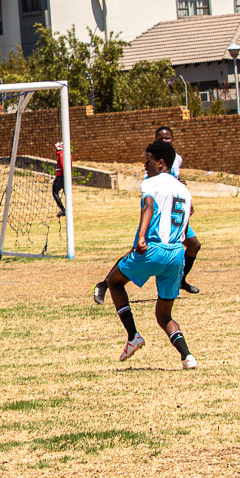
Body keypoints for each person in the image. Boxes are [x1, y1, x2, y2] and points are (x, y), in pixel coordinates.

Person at [93, 140, 197, 370]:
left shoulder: (151, 183)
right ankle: (187, 356)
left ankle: (133, 336)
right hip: (176, 254)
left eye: (148, 159)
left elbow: (148, 206)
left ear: (160, 163)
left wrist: (141, 237)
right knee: (164, 315)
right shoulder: (184, 189)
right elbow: (188, 213)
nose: (144, 164)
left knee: (114, 282)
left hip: (154, 250)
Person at [154, 124, 201, 293]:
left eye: (167, 138)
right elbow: (151, 182)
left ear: (173, 140)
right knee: (153, 251)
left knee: (194, 245)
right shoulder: (153, 160)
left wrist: (187, 202)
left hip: (176, 210)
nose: (164, 141)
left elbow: (176, 181)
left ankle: (181, 280)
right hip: (162, 211)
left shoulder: (177, 159)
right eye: (160, 139)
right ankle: (112, 281)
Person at [50, 141, 69, 218]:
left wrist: (64, 176)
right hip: (63, 176)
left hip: (61, 177)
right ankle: (67, 208)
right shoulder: (67, 154)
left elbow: (64, 166)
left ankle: (63, 209)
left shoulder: (61, 155)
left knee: (55, 192)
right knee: (66, 192)